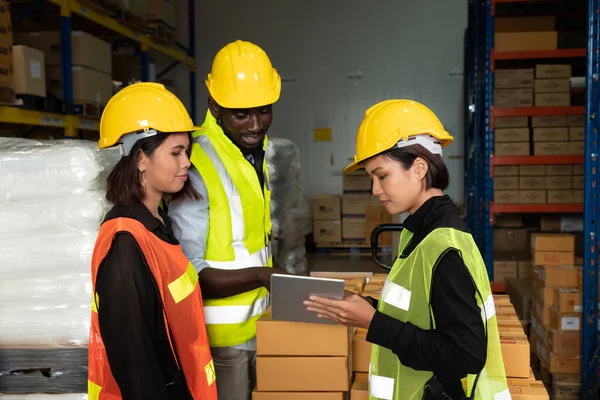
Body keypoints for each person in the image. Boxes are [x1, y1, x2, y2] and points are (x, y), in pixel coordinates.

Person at [305, 100, 510, 400]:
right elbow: (421, 314)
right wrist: (367, 308)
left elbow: (465, 355)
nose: (375, 190)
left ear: (419, 168)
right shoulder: (421, 232)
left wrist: (373, 323)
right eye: (371, 179)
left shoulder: (444, 248)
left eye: (382, 175)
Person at [167, 40, 284, 400]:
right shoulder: (197, 164)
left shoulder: (248, 153)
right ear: (214, 106)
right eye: (241, 114)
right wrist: (264, 277)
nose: (254, 124)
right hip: (221, 341)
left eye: (263, 110)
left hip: (256, 326)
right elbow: (189, 272)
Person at [88, 82, 218, 400]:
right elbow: (134, 362)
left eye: (186, 152)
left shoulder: (158, 221)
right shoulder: (124, 245)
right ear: (141, 159)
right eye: (176, 153)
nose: (186, 162)